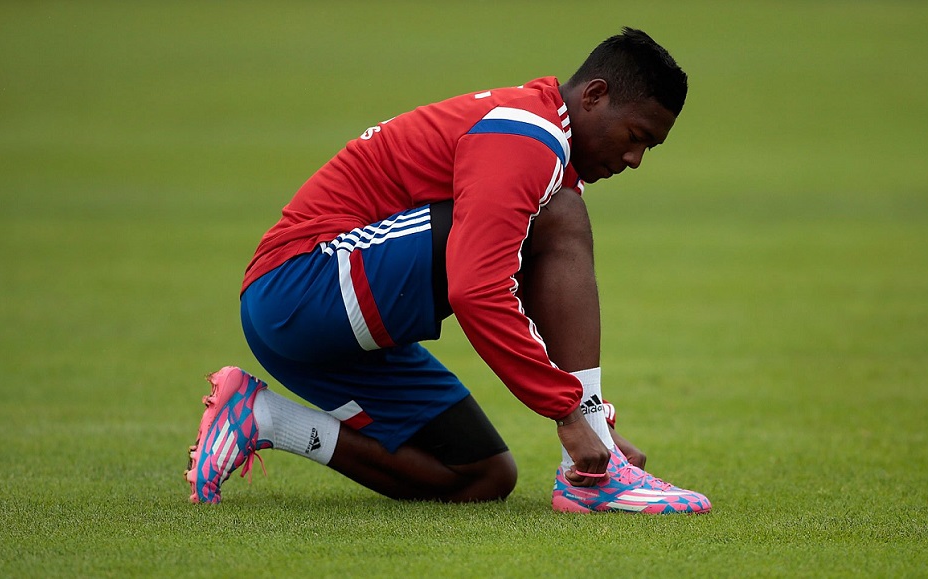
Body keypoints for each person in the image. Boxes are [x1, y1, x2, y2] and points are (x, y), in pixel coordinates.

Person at [185, 27, 711, 514]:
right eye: (636, 135)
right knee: (558, 212)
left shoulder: (539, 140)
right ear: (594, 96)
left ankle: (265, 417)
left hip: (311, 324)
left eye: (650, 147)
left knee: (481, 475)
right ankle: (604, 476)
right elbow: (477, 288)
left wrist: (589, 422)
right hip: (300, 283)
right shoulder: (532, 132)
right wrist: (571, 415)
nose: (637, 157)